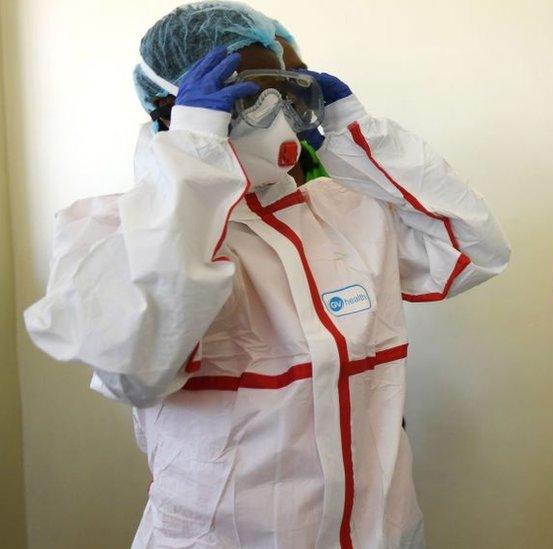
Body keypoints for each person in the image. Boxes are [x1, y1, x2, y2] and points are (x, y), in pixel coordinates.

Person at [24, 1, 509, 547]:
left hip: (379, 533)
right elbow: (136, 362)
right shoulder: (111, 233)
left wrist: (358, 133)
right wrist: (195, 154)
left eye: (291, 94)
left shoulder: (343, 212)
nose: (277, 113)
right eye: (250, 93)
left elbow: (474, 247)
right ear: (174, 107)